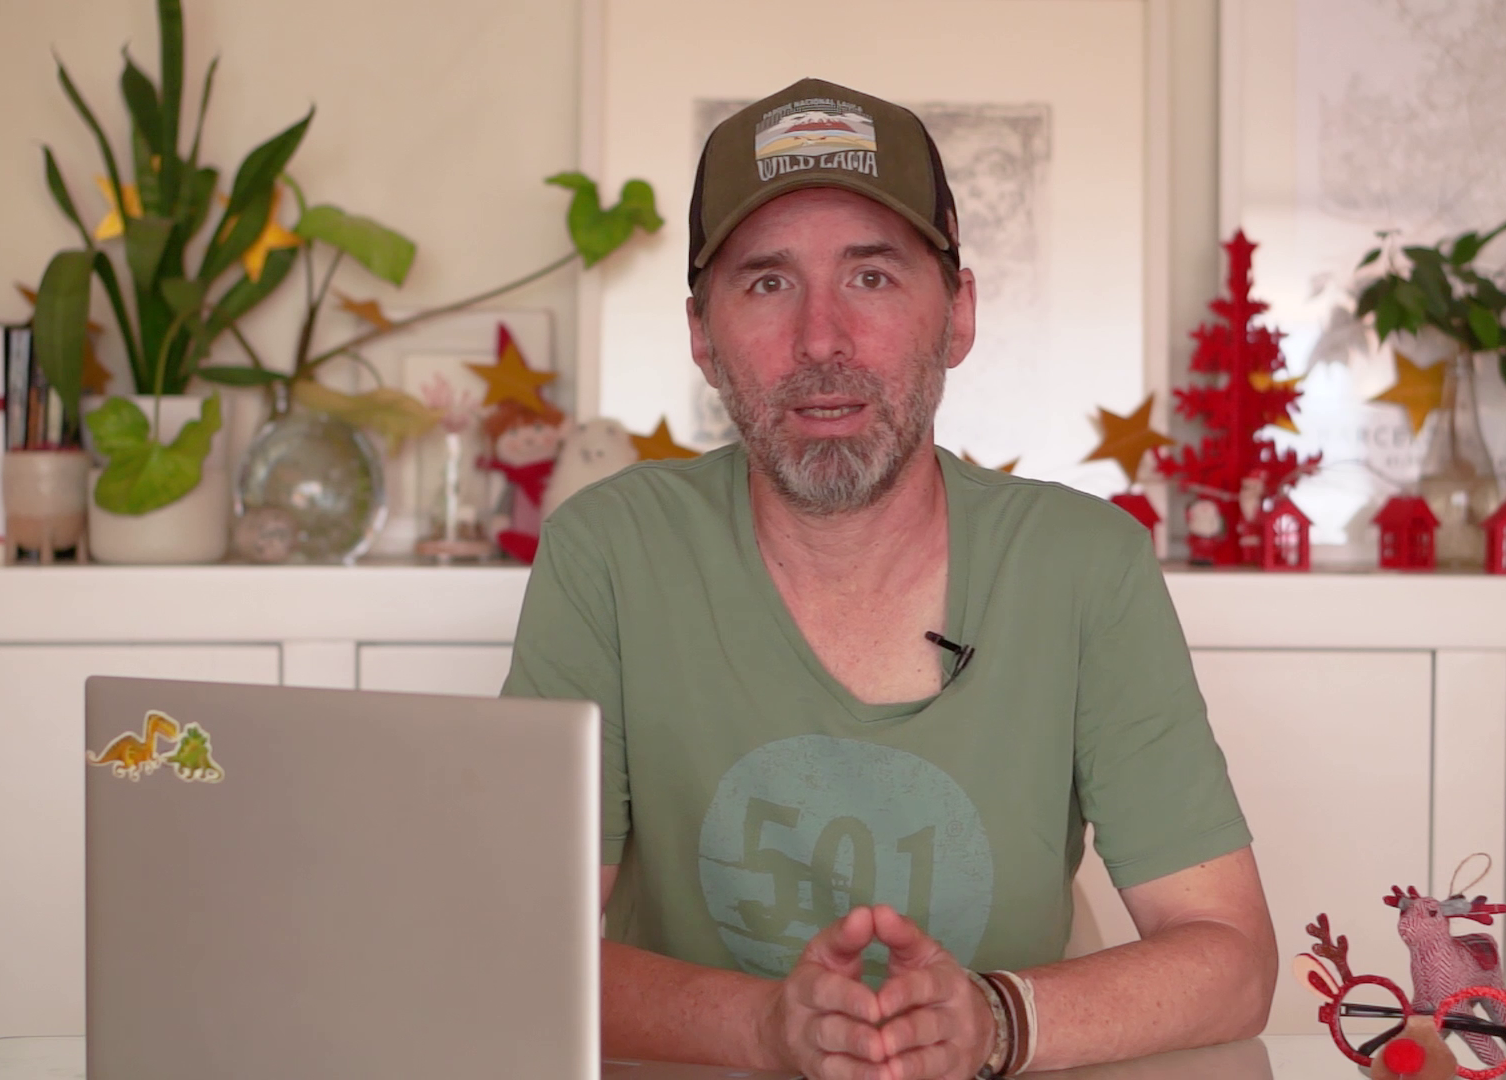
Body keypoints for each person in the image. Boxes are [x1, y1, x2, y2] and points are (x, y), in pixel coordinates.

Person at [503, 77, 1277, 1080]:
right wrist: (768, 1029)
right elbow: (519, 949)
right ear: (701, 333)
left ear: (956, 314)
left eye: (872, 277)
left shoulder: (1086, 564)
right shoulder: (606, 554)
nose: (822, 341)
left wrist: (992, 1024)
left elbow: (1232, 961)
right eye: (767, 283)